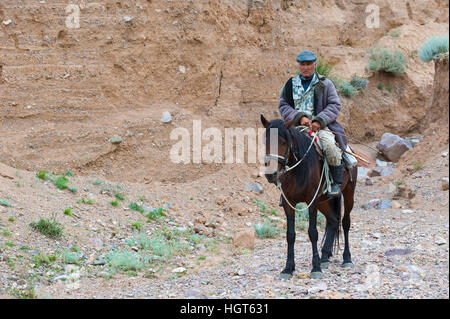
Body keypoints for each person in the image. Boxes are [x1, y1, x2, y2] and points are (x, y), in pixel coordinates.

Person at [278, 50, 348, 197]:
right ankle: (284, 187)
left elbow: (335, 105)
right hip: (296, 128)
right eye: (302, 64)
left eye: (309, 64)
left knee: (330, 147)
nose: (306, 67)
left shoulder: (325, 84)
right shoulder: (290, 84)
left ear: (314, 65)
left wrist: (319, 120)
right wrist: (299, 117)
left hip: (320, 128)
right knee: (280, 150)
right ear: (298, 66)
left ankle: (335, 183)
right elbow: (283, 105)